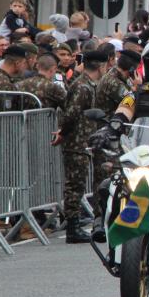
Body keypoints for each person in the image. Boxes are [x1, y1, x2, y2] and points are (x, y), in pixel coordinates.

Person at [52, 50, 106, 243]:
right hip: (76, 142)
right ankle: (72, 227)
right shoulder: (82, 86)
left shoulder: (89, 85)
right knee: (74, 185)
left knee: (79, 184)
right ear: (100, 67)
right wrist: (63, 133)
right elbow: (71, 113)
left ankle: (75, 223)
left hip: (84, 141)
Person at [0, 45, 28, 113]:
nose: (25, 66)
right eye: (24, 63)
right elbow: (6, 111)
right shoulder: (4, 83)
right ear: (17, 63)